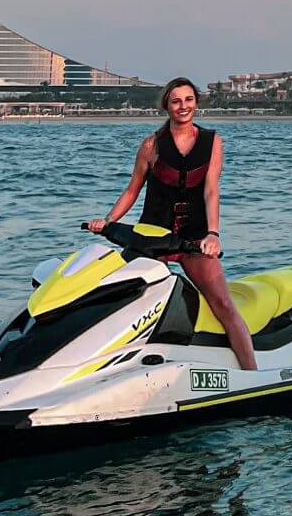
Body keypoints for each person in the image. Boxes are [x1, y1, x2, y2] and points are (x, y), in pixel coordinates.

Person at [87, 76, 258, 371]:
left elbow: (211, 191)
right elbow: (132, 190)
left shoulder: (212, 142)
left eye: (188, 99)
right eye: (176, 101)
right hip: (153, 236)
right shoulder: (151, 145)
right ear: (166, 105)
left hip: (194, 238)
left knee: (224, 305)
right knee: (128, 302)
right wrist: (109, 220)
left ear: (196, 103)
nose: (183, 106)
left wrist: (213, 234)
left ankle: (253, 375)